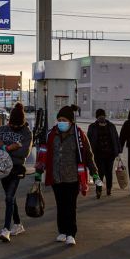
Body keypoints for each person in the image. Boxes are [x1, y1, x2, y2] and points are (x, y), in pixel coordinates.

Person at [34, 105, 99, 246]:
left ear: (70, 121)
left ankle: (71, 233)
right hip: (56, 177)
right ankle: (62, 231)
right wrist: (39, 172)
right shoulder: (51, 134)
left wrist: (95, 174)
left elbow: (88, 155)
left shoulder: (79, 134)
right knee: (61, 205)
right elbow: (43, 154)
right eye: (59, 120)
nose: (61, 122)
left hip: (73, 177)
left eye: (64, 120)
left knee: (70, 206)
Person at [0, 103, 33, 242]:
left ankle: (6, 230)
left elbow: (23, 152)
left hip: (16, 169)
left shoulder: (26, 133)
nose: (14, 127)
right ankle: (18, 224)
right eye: (12, 124)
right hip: (2, 168)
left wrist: (3, 147)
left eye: (17, 126)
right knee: (11, 197)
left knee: (9, 197)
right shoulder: (2, 129)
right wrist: (10, 147)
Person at [86, 108, 120, 198]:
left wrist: (118, 151)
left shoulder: (111, 126)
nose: (101, 117)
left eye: (102, 115)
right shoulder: (92, 127)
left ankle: (109, 188)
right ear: (97, 117)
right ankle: (98, 189)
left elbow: (116, 139)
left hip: (110, 154)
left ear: (105, 116)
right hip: (97, 154)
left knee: (109, 172)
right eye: (99, 116)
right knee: (99, 173)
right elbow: (88, 140)